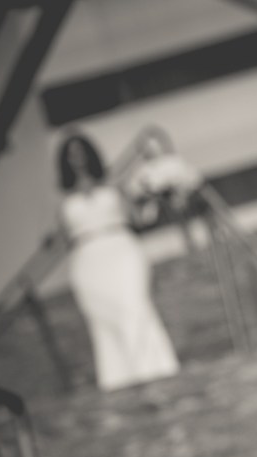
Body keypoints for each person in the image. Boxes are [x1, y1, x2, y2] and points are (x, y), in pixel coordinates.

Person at [56, 133, 181, 392]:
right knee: (104, 320)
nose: (76, 158)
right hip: (87, 258)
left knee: (134, 306)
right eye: (70, 153)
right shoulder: (63, 199)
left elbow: (138, 217)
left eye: (80, 151)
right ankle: (120, 379)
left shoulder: (113, 185)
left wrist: (152, 195)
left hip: (121, 248)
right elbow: (63, 237)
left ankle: (154, 371)